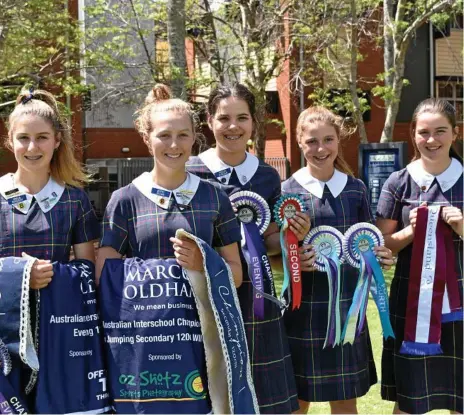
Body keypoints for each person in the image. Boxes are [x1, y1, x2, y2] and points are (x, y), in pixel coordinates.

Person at [96, 84, 243, 414]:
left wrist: (205, 265)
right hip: (145, 343)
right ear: (147, 139)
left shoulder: (215, 196)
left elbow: (236, 274)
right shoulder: (124, 200)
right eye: (164, 135)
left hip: (204, 343)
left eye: (182, 135)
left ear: (195, 138)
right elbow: (106, 277)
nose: (174, 145)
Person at [187, 83, 308, 414]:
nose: (233, 127)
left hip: (257, 296)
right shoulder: (189, 171)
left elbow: (267, 239)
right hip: (205, 294)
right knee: (210, 388)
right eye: (223, 118)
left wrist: (287, 239)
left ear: (253, 122)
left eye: (242, 118)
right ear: (209, 121)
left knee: (263, 396)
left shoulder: (268, 175)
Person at [281, 106, 394, 414]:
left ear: (338, 141)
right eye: (312, 141)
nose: (321, 149)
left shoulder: (356, 190)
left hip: (348, 310)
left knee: (345, 402)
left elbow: (367, 244)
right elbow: (273, 249)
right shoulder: (286, 192)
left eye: (328, 140)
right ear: (300, 142)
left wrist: (378, 258)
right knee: (296, 403)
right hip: (301, 310)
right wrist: (294, 260)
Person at [0, 88, 99, 405]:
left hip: (59, 332)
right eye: (23, 138)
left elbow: (87, 273)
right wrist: (23, 273)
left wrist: (54, 273)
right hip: (3, 333)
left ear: (57, 141)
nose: (32, 147)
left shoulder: (75, 200)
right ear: (9, 140)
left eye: (42, 137)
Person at [376, 98, 463, 414]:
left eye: (440, 131)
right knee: (410, 399)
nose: (432, 140)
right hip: (411, 302)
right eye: (424, 132)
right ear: (413, 134)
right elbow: (382, 245)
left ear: (455, 132)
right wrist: (410, 231)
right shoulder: (398, 182)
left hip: (460, 305)